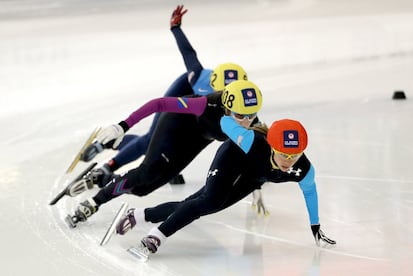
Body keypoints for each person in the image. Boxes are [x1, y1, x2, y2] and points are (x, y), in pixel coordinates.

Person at [76, 5, 248, 187]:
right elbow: (188, 53)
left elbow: (249, 132)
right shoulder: (198, 76)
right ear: (213, 86)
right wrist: (175, 28)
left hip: (197, 108)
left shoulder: (239, 98)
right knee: (153, 137)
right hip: (184, 92)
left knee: (174, 142)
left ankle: (108, 144)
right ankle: (109, 165)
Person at [114, 118, 336, 257]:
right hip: (232, 157)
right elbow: (224, 123)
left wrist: (315, 226)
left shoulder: (304, 170)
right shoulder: (250, 141)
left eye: (294, 155)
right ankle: (155, 237)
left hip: (253, 177)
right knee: (208, 201)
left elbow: (310, 193)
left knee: (200, 205)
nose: (289, 161)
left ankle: (140, 215)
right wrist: (242, 123)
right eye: (283, 154)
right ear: (271, 146)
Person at [66, 79, 265, 227]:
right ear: (226, 106)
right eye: (239, 116)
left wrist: (255, 186)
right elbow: (159, 104)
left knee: (144, 189)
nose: (246, 122)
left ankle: (103, 179)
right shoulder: (205, 104)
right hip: (177, 124)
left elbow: (251, 153)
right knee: (147, 172)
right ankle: (94, 202)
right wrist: (123, 126)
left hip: (198, 139)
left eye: (252, 115)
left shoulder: (249, 120)